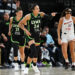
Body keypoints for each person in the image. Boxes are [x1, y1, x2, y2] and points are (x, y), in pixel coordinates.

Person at [18, 3, 56, 74]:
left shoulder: (40, 14)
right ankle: (27, 67)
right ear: (33, 10)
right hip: (30, 35)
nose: (39, 9)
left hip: (37, 35)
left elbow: (48, 17)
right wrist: (26, 30)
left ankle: (34, 65)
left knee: (36, 52)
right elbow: (20, 24)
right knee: (33, 50)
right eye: (37, 8)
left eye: (39, 8)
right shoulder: (28, 16)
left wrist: (52, 15)